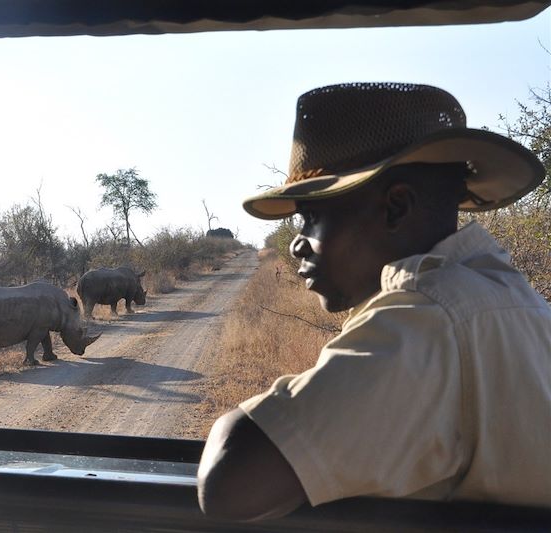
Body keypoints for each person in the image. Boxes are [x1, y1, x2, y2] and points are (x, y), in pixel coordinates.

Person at [197, 82, 551, 521]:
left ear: (396, 207)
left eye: (311, 217)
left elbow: (229, 485)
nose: (296, 245)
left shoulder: (425, 319)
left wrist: (226, 424)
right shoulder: (515, 299)